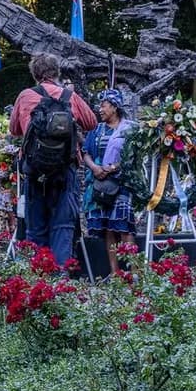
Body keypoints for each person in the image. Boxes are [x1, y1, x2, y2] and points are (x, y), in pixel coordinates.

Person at [10, 53, 97, 268]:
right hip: (65, 170)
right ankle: (61, 279)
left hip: (34, 170)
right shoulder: (69, 96)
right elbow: (92, 123)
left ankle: (38, 279)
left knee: (35, 226)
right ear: (57, 72)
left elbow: (14, 129)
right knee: (63, 225)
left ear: (35, 74)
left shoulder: (25, 96)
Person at [82, 88, 136, 275]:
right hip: (101, 185)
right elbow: (86, 152)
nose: (100, 109)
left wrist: (113, 167)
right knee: (107, 229)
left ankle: (134, 271)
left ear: (114, 108)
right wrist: (95, 168)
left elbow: (133, 155)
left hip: (121, 183)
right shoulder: (96, 130)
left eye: (103, 106)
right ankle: (115, 274)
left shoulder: (129, 129)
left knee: (124, 226)